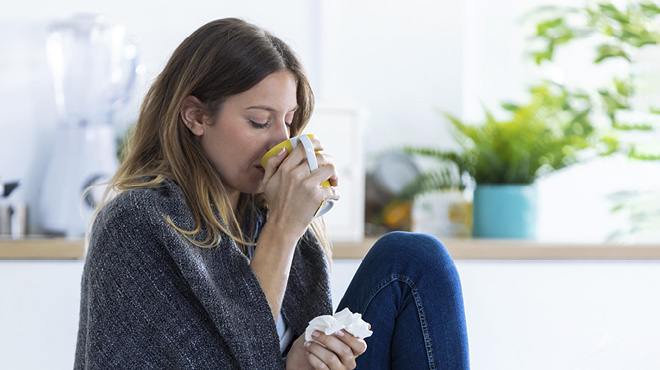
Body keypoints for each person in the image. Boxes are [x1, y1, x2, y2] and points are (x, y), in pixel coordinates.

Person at [74, 18, 469, 370]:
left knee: (412, 258)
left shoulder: (264, 214)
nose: (280, 141)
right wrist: (283, 230)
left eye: (288, 121)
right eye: (259, 121)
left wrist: (313, 355)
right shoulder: (136, 223)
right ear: (195, 116)